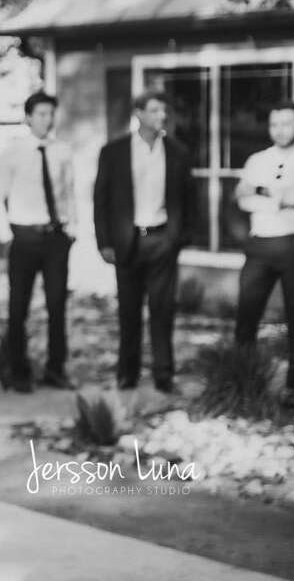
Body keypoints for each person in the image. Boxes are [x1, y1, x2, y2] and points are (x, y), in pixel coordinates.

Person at [94, 91, 195, 393]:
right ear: (138, 113)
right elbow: (101, 200)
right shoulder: (114, 152)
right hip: (127, 242)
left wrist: (180, 237)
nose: (161, 116)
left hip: (162, 240)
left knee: (162, 311)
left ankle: (163, 374)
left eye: (163, 111)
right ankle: (128, 373)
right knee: (129, 311)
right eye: (154, 110)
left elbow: (190, 198)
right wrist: (104, 243)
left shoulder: (177, 151)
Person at [0, 91, 76, 393]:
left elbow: (69, 194)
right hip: (23, 237)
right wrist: (7, 236)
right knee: (18, 308)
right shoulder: (13, 153)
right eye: (40, 114)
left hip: (55, 238)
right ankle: (19, 371)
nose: (46, 120)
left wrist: (71, 229)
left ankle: (55, 368)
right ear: (28, 117)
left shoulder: (62, 151)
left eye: (50, 114)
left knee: (57, 306)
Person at [233, 101, 294, 409]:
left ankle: (293, 390)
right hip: (260, 246)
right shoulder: (257, 159)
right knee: (246, 316)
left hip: (293, 243)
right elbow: (241, 197)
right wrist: (276, 196)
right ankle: (243, 382)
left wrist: (268, 193)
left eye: (287, 123)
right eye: (274, 124)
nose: (280, 130)